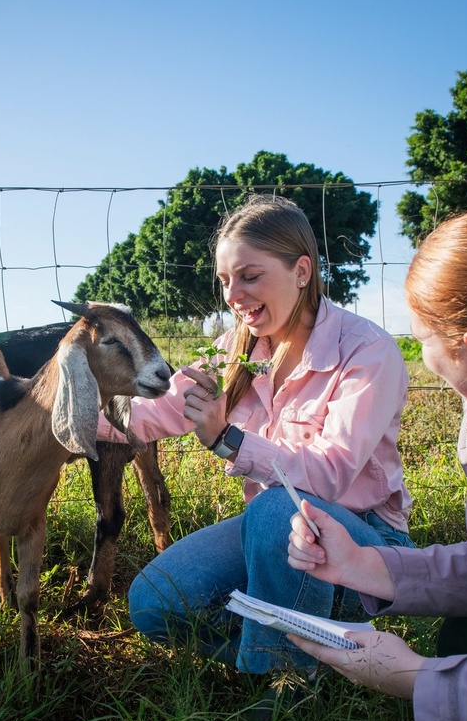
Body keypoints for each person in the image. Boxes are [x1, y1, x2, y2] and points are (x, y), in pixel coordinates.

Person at [287, 205, 467, 721]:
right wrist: (370, 566)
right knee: (464, 637)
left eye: (423, 341)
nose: (420, 357)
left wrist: (411, 677)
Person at [98, 194, 413, 677]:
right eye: (225, 280)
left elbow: (327, 477)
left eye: (249, 276)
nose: (232, 295)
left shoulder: (368, 351)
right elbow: (152, 413)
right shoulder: (235, 349)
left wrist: (228, 438)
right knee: (152, 604)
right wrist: (51, 413)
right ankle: (313, 653)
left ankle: (283, 684)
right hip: (276, 541)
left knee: (278, 505)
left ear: (302, 271)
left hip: (366, 545)